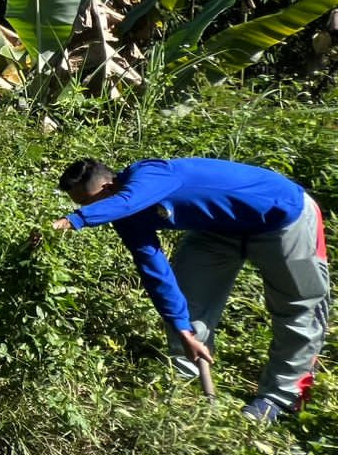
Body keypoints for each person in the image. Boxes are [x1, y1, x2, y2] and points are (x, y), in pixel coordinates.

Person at [53, 156, 330, 421]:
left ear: (108, 187)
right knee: (189, 299)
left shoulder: (151, 174)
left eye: (89, 202)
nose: (89, 209)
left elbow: (129, 200)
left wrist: (76, 219)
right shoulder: (127, 217)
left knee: (299, 307)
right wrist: (182, 328)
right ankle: (185, 380)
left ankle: (279, 398)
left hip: (282, 217)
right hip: (218, 231)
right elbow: (155, 271)